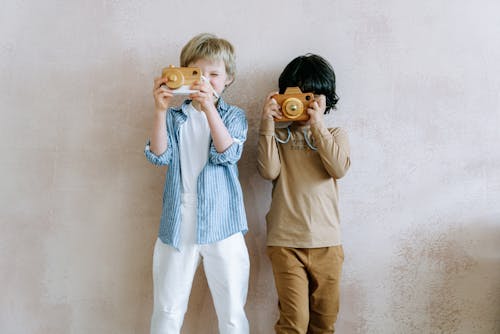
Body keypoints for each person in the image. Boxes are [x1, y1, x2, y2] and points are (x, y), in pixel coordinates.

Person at [145, 33, 249, 334]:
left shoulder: (233, 116)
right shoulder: (175, 117)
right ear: (183, 74)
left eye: (214, 74)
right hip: (178, 221)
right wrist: (160, 109)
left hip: (223, 221)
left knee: (231, 313)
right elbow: (158, 157)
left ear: (228, 79)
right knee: (167, 310)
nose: (205, 80)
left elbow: (228, 153)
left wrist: (209, 109)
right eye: (196, 73)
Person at [257, 54, 351, 334]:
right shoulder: (279, 136)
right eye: (299, 94)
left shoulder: (335, 133)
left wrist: (317, 124)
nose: (305, 102)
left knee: (324, 324)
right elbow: (268, 171)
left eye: (314, 96)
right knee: (293, 324)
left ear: (325, 99)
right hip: (285, 243)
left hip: (328, 243)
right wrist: (267, 122)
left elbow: (338, 168)